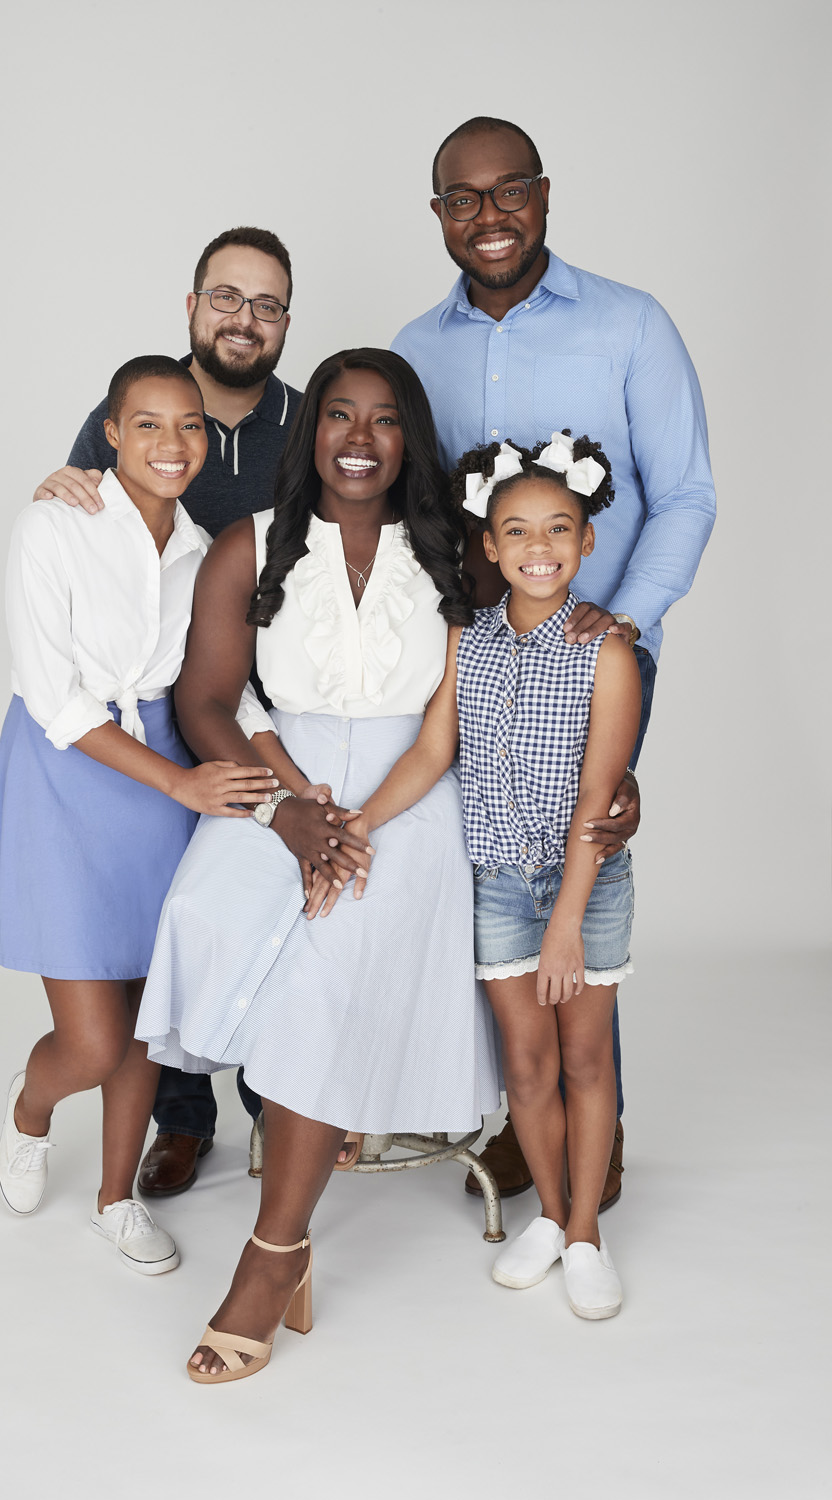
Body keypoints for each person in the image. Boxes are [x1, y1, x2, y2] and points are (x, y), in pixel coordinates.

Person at [135, 348, 504, 1382]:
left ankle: (273, 1251)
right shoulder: (250, 545)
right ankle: (303, 1135)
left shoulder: (456, 556)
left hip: (412, 799)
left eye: (383, 419)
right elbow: (203, 703)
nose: (357, 437)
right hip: (276, 781)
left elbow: (521, 656)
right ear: (312, 433)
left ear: (408, 439)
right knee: (207, 912)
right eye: (338, 414)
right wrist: (290, 810)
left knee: (331, 966)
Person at [393, 117, 716, 1206]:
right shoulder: (415, 348)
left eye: (508, 191)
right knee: (492, 865)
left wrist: (620, 623)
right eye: (461, 198)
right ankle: (528, 1108)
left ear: (543, 194)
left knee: (585, 847)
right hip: (481, 665)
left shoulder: (628, 324)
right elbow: (416, 514)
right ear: (438, 213)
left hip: (598, 655)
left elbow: (685, 494)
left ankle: (594, 1136)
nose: (488, 216)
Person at [324, 430, 641, 1316]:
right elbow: (435, 749)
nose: (539, 548)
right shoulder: (470, 642)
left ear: (584, 543)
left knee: (584, 1060)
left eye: (559, 530)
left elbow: (597, 797)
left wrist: (570, 920)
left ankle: (585, 1232)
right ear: (490, 546)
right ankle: (547, 1213)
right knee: (526, 1068)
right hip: (498, 884)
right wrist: (363, 819)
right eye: (518, 532)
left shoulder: (606, 652)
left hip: (582, 887)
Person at [0, 355, 277, 1273]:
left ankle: (116, 1199)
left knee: (149, 1018)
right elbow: (52, 699)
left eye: (188, 425)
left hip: (161, 770)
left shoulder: (200, 547)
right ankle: (32, 1109)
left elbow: (216, 682)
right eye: (147, 424)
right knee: (93, 1038)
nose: (171, 443)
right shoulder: (52, 524)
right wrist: (182, 785)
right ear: (109, 432)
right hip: (68, 772)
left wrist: (268, 778)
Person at [32, 226, 303, 1197]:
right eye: (226, 297)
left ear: (283, 325)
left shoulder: (312, 426)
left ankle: (281, 1105)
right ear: (190, 308)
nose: (245, 318)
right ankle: (181, 1120)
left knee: (273, 897)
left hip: (271, 699)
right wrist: (52, 490)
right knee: (171, 924)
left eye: (266, 305)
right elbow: (77, 533)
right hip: (151, 711)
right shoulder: (130, 414)